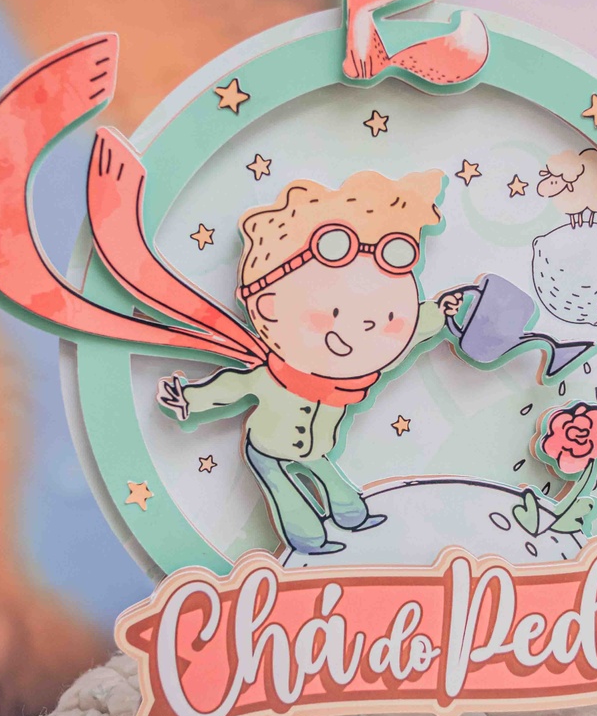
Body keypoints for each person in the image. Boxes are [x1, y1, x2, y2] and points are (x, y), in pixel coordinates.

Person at [155, 169, 462, 555]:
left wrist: (436, 313)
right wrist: (189, 398)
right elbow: (232, 386)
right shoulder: (274, 376)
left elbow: (406, 336)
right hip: (267, 448)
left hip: (318, 446)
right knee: (282, 487)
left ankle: (352, 516)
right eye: (334, 313)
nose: (361, 330)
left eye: (380, 319)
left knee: (328, 474)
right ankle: (308, 538)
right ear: (268, 307)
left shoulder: (354, 376)